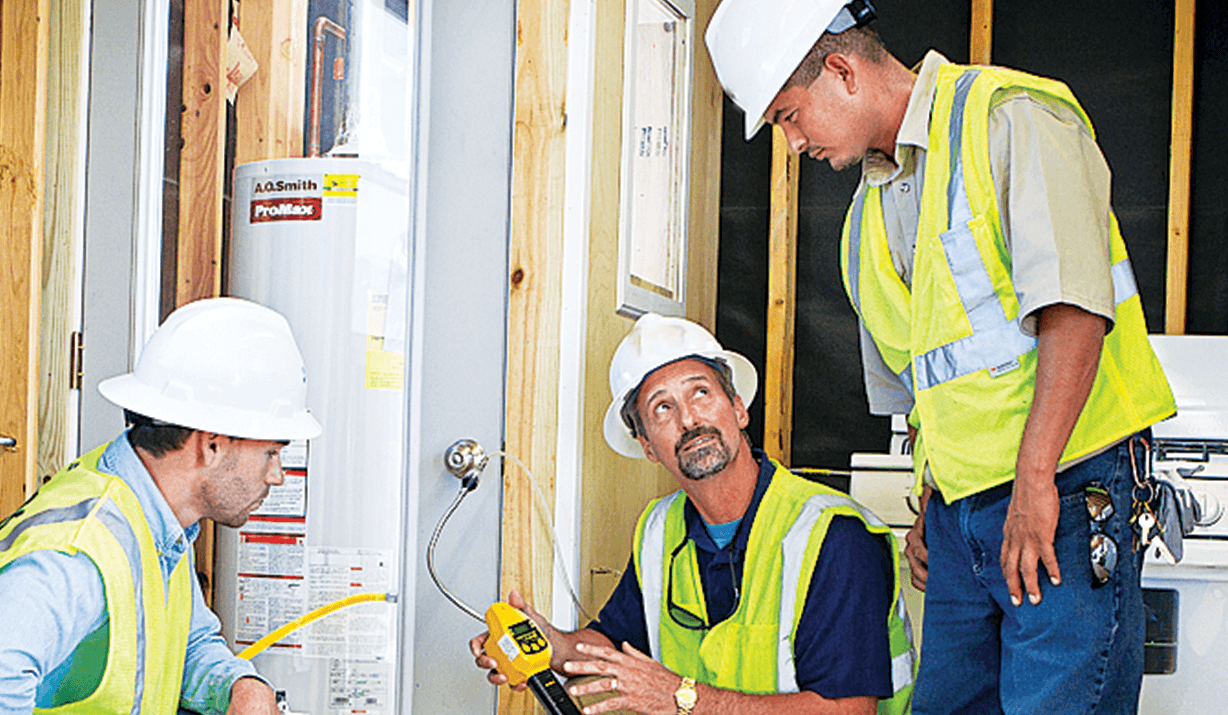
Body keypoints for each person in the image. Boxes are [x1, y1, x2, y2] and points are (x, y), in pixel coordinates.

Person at [704, 1, 1177, 713]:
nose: (792, 142)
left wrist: (1034, 481)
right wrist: (930, 500)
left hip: (1064, 492)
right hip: (963, 516)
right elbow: (930, 388)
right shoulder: (866, 217)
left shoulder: (1008, 118)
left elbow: (1075, 310)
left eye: (789, 116)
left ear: (841, 71)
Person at [470, 313, 915, 715]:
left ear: (738, 409)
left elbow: (848, 711)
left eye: (700, 393)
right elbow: (615, 643)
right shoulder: (659, 530)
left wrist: (681, 698)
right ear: (646, 446)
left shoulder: (832, 535)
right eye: (662, 408)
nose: (688, 419)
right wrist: (556, 648)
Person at [0, 298, 323, 715]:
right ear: (212, 445)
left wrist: (242, 687)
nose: (276, 475)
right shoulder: (78, 551)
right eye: (271, 454)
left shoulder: (157, 525)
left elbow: (188, 644)